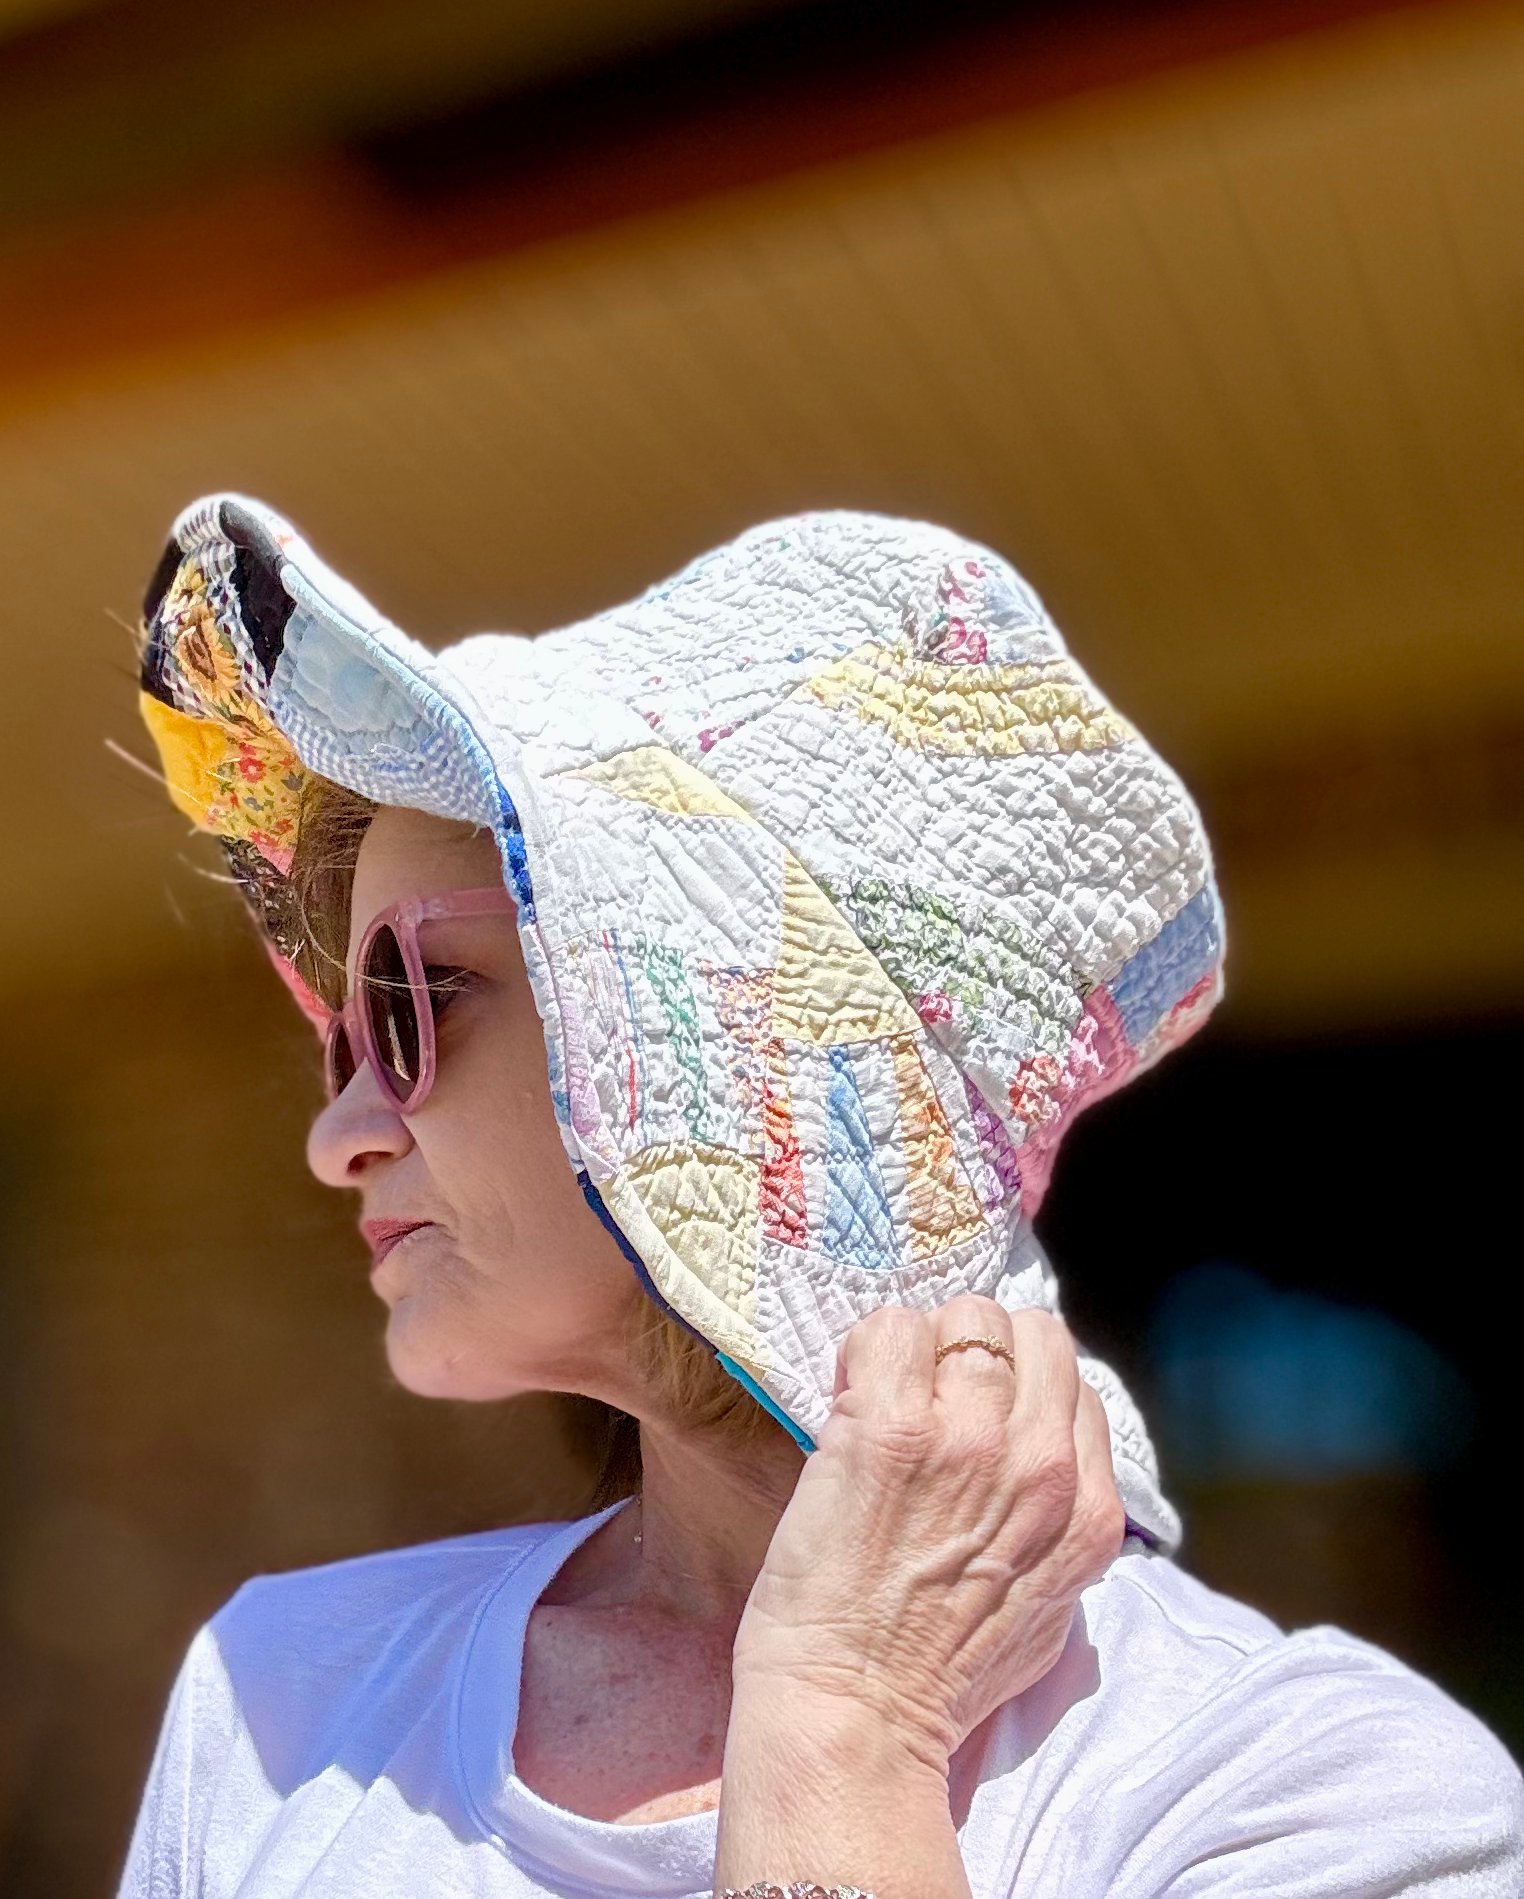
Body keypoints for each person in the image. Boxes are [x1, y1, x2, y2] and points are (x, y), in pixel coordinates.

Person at [121, 499, 1521, 1899]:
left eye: (415, 1001)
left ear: (732, 1043)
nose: (338, 1133)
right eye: (340, 1040)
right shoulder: (271, 1700)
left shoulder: (1301, 1788)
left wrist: (847, 1732)